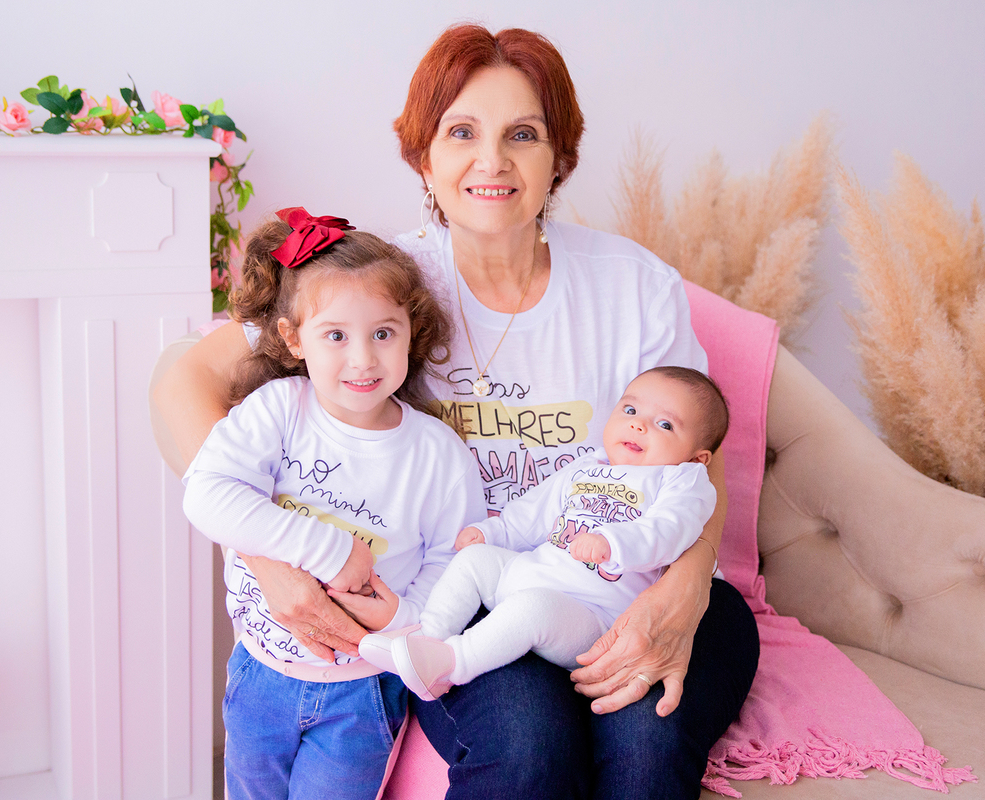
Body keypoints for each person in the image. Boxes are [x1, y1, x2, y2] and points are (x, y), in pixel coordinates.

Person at [154, 24, 760, 800]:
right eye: (462, 132)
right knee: (528, 754)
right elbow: (180, 381)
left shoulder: (634, 286)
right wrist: (272, 561)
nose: (492, 161)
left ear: (559, 156)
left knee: (645, 749)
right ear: (423, 156)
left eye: (524, 135)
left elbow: (697, 465)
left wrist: (688, 588)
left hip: (639, 573)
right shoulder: (384, 286)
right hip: (478, 590)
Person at [180, 207, 486, 800]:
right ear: (294, 339)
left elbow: (456, 566)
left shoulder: (437, 454)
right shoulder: (278, 410)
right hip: (259, 672)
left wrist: (402, 618)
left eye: (382, 333)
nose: (363, 358)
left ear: (409, 331)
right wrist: (328, 548)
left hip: (364, 690)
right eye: (336, 336)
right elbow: (207, 492)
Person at [359, 367, 728, 702]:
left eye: (664, 425)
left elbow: (669, 530)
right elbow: (532, 513)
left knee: (532, 609)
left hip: (592, 617)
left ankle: (450, 665)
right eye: (630, 411)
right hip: (532, 573)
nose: (638, 425)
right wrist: (492, 531)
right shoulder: (587, 467)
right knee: (473, 561)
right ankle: (426, 636)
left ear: (698, 458)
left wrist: (613, 543)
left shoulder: (683, 480)